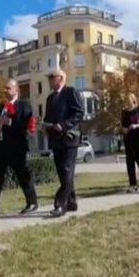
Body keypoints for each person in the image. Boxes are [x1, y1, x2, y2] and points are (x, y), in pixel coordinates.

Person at [0, 79, 39, 219]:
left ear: (16, 90)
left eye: (8, 88)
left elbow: (25, 123)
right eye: (4, 88)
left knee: (23, 175)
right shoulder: (1, 106)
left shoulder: (23, 104)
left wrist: (9, 121)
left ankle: (32, 202)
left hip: (16, 147)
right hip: (0, 147)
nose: (5, 90)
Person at [43, 70, 84, 218]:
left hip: (69, 139)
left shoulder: (71, 92)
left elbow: (79, 112)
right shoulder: (50, 98)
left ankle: (61, 204)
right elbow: (47, 117)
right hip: (55, 140)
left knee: (67, 170)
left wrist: (64, 125)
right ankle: (72, 202)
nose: (49, 81)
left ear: (60, 79)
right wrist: (45, 127)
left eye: (51, 78)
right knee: (62, 173)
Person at [120, 93, 139, 192]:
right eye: (126, 99)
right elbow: (123, 124)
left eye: (129, 99)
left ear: (133, 99)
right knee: (129, 162)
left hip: (138, 137)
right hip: (128, 138)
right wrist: (123, 129)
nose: (127, 101)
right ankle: (133, 184)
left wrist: (136, 126)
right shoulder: (124, 112)